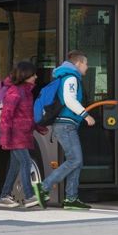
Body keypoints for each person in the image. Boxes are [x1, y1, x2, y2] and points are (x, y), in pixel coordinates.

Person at [33, 50, 95, 210]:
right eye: (86, 64)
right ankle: (44, 187)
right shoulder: (71, 78)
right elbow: (69, 100)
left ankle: (71, 198)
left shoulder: (66, 76)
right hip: (65, 125)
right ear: (79, 63)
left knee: (76, 161)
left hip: (66, 125)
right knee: (75, 160)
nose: (87, 67)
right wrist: (85, 115)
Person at [0, 61, 44, 209]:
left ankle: (5, 196)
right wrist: (5, 138)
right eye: (33, 74)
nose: (36, 76)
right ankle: (29, 196)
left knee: (15, 166)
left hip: (22, 134)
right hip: (15, 135)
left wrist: (37, 127)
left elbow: (26, 115)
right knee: (26, 162)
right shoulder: (15, 92)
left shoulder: (26, 92)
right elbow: (6, 117)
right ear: (25, 75)